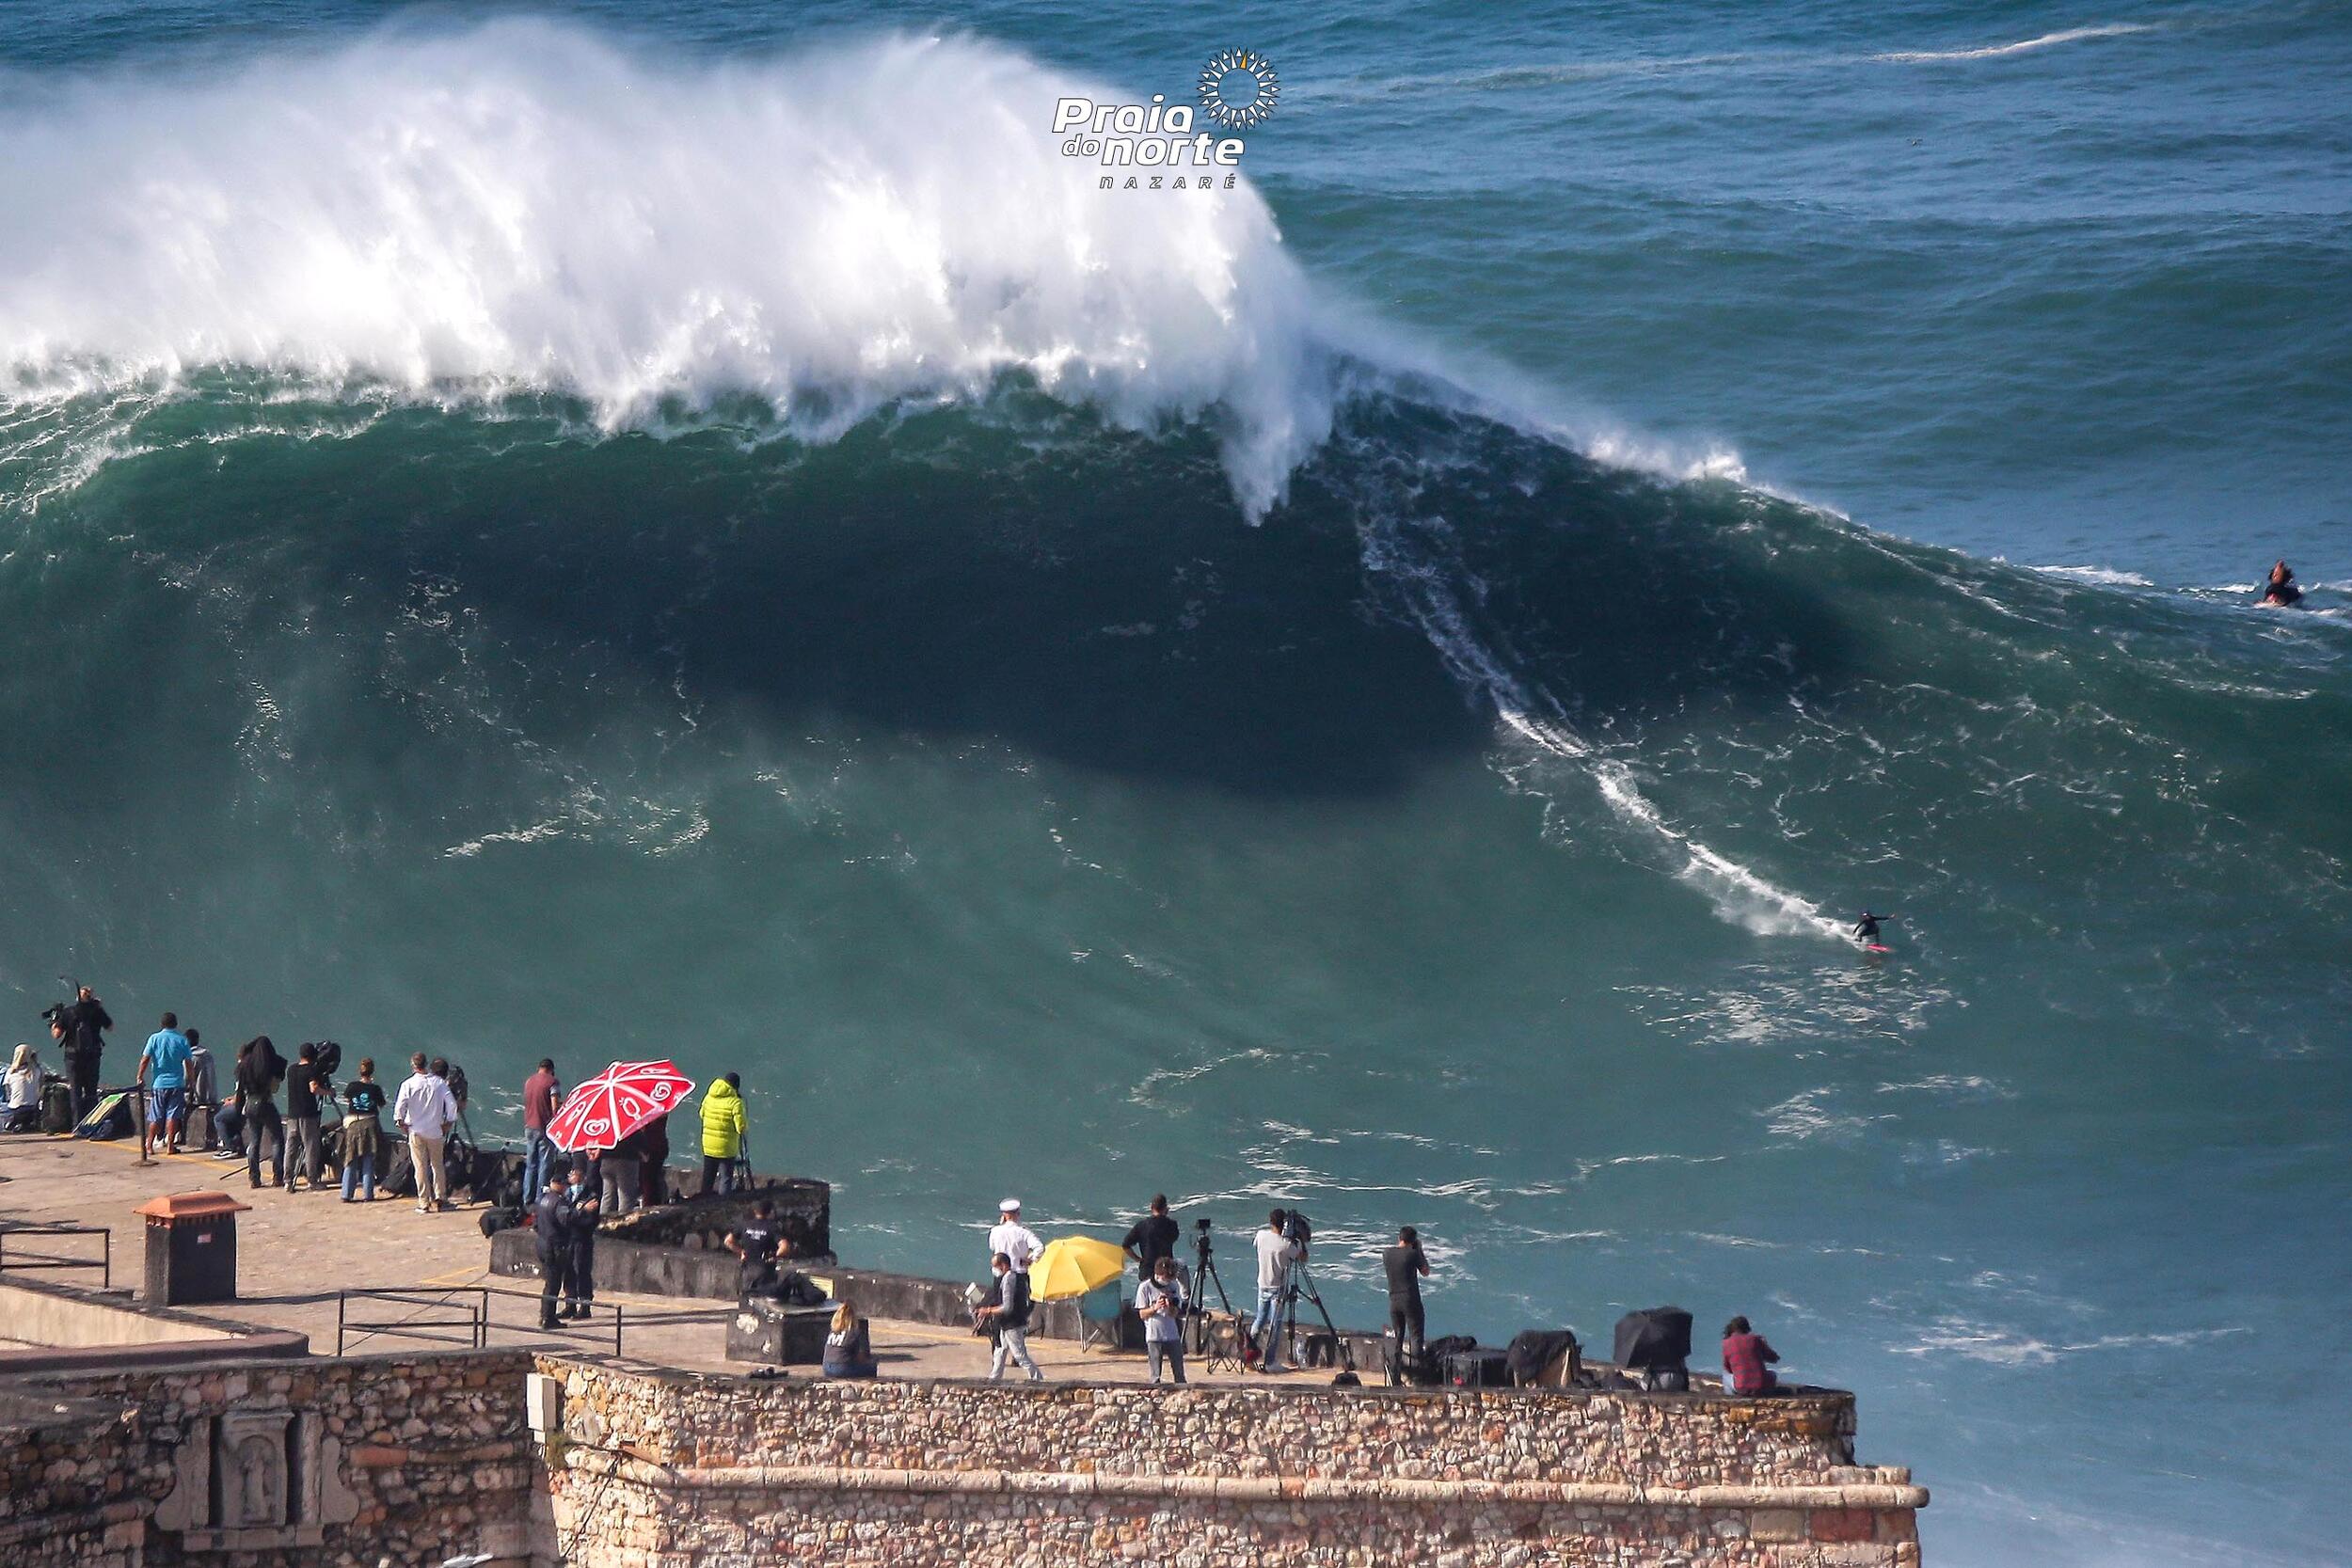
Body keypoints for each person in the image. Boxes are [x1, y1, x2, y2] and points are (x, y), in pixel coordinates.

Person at [393, 1052, 459, 1213]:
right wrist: (448, 1123)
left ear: (413, 1065)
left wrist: (400, 1122)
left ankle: (424, 1202)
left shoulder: (407, 1084)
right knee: (437, 1166)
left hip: (415, 1130)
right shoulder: (439, 1083)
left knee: (420, 1167)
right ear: (426, 1064)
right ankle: (441, 1198)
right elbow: (452, 1105)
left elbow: (400, 1106)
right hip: (435, 1131)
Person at [533, 1169, 597, 1328]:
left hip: (546, 1243)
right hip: (555, 1246)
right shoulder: (558, 1201)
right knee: (553, 1284)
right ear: (561, 1185)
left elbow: (536, 1224)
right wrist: (583, 1210)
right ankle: (548, 1317)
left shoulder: (543, 1199)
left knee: (558, 1279)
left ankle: (550, 1314)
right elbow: (566, 1217)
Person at [976, 1251, 1042, 1381]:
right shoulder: (1013, 1277)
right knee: (1000, 1350)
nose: (995, 1269)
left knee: (1019, 1355)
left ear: (1003, 1265)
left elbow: (1007, 1307)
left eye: (996, 1266)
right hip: (1006, 1323)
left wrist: (988, 1310)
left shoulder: (1008, 1281)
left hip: (1012, 1324)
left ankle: (1037, 1378)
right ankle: (994, 1379)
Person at [1250, 1209, 1302, 1372]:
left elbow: (1258, 1245)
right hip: (1277, 1290)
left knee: (1260, 1319)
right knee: (1275, 1325)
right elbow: (1301, 1256)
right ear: (1284, 1224)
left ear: (1271, 1222)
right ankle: (1270, 1361)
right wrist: (1298, 1241)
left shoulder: (1260, 1236)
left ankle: (1248, 1354)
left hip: (1262, 1284)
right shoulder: (1286, 1245)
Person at [137, 1013, 193, 1164]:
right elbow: (189, 1063)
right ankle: (170, 1146)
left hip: (159, 1083)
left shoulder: (154, 1038)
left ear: (162, 1024)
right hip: (177, 1083)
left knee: (156, 1115)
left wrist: (140, 1076)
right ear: (176, 1024)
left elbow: (145, 1059)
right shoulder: (182, 1040)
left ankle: (149, 1145)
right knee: (172, 1115)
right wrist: (191, 1081)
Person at [235, 1037, 287, 1190]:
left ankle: (254, 1177)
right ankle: (278, 1176)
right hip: (266, 1102)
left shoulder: (244, 1066)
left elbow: (240, 1093)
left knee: (254, 1141)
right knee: (277, 1138)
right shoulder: (269, 1066)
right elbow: (278, 1079)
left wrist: (238, 1113)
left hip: (250, 1104)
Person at [58, 987, 111, 1122]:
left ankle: (77, 1125)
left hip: (72, 1057)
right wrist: (99, 1009)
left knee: (75, 1091)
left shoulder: (68, 1012)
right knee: (91, 1091)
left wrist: (54, 1023)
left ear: (77, 998)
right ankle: (91, 1123)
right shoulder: (98, 1011)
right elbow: (110, 1027)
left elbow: (57, 1034)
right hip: (92, 1056)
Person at [285, 1043, 331, 1192]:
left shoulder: (291, 1070)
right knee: (311, 1146)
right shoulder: (312, 1069)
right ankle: (312, 1180)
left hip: (292, 1114)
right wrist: (329, 1092)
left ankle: (288, 1180)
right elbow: (314, 1088)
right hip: (307, 1115)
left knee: (291, 1147)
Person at [1383, 1225, 1431, 1367]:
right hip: (1410, 1300)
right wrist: (1419, 1250)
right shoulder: (1413, 1254)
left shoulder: (1387, 1253)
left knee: (1398, 1337)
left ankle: (1395, 1373)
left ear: (1399, 1237)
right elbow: (1425, 1272)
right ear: (1414, 1240)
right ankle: (1417, 1375)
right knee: (1415, 1336)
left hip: (1394, 1301)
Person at [1136, 1254, 1189, 1385]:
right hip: (1154, 1335)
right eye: (1166, 1278)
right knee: (1155, 1375)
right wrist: (1155, 1307)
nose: (1167, 1282)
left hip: (1172, 1334)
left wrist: (1170, 1306)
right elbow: (1142, 1314)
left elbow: (1175, 1313)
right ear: (1158, 1275)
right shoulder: (1145, 1288)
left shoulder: (1173, 1286)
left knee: (1179, 1373)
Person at [341, 1058, 387, 1202]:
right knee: (368, 1159)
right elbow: (381, 1104)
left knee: (350, 1158)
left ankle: (346, 1194)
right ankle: (368, 1194)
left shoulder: (352, 1086)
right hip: (370, 1124)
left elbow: (347, 1099)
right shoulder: (375, 1089)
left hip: (354, 1123)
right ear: (372, 1071)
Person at [559, 1158, 599, 1319]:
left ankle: (585, 1305)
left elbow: (590, 1220)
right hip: (568, 1238)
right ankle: (570, 1303)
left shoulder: (591, 1195)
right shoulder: (566, 1194)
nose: (570, 1176)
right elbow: (564, 1215)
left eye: (574, 1173)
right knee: (568, 1272)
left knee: (582, 1270)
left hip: (582, 1239)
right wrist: (578, 1211)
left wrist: (578, 1212)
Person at [698, 1072, 748, 1195]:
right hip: (727, 1147)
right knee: (725, 1179)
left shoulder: (709, 1097)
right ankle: (722, 1205)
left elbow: (701, 1114)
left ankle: (703, 1202)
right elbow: (740, 1128)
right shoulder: (736, 1102)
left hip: (708, 1144)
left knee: (708, 1177)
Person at [725, 1198, 785, 1298]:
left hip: (748, 1268)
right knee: (765, 1301)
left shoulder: (744, 1224)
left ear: (755, 1211)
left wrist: (741, 1252)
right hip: (765, 1270)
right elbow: (784, 1246)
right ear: (770, 1212)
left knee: (747, 1299)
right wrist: (775, 1255)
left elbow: (728, 1241)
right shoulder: (772, 1227)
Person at [521, 1058, 562, 1201]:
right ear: (551, 1069)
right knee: (545, 1164)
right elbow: (554, 1106)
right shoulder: (552, 1082)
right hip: (544, 1127)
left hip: (529, 1126)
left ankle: (527, 1198)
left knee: (531, 1164)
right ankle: (540, 1198)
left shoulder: (529, 1081)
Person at [1121, 1195, 1181, 1278]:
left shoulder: (1141, 1225)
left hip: (1147, 1270)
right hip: (1166, 1271)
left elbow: (1125, 1245)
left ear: (1151, 1208)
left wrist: (1138, 1259)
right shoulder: (1171, 1224)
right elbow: (1174, 1238)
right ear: (1165, 1208)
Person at [1721, 1316, 1782, 1396]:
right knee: (1773, 1374)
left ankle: (1732, 1394)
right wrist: (1765, 1344)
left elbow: (1728, 1368)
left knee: (1726, 1376)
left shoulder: (1726, 1343)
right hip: (1761, 1387)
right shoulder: (1755, 1339)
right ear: (1747, 1327)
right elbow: (1774, 1359)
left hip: (1741, 1388)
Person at [822, 1300, 880, 1380]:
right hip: (841, 1368)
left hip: (826, 1367)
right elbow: (860, 1357)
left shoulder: (833, 1333)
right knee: (872, 1366)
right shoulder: (853, 1333)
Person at [989, 1198, 1042, 1276]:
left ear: (1004, 1215)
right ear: (1018, 1214)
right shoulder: (1024, 1233)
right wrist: (1032, 1258)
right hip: (1019, 1274)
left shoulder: (995, 1231)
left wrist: (1001, 1225)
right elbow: (1040, 1247)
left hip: (1000, 1274)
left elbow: (992, 1247)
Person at [184, 1030, 218, 1150]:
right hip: (212, 1097)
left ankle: (174, 1136)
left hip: (198, 1098)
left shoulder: (191, 1058)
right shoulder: (208, 1055)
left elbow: (186, 1080)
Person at [3, 1043, 41, 1132]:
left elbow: (8, 1094)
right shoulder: (36, 1070)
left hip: (15, 1109)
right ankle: (26, 1124)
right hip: (32, 1110)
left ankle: (12, 1123)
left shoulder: (10, 1072)